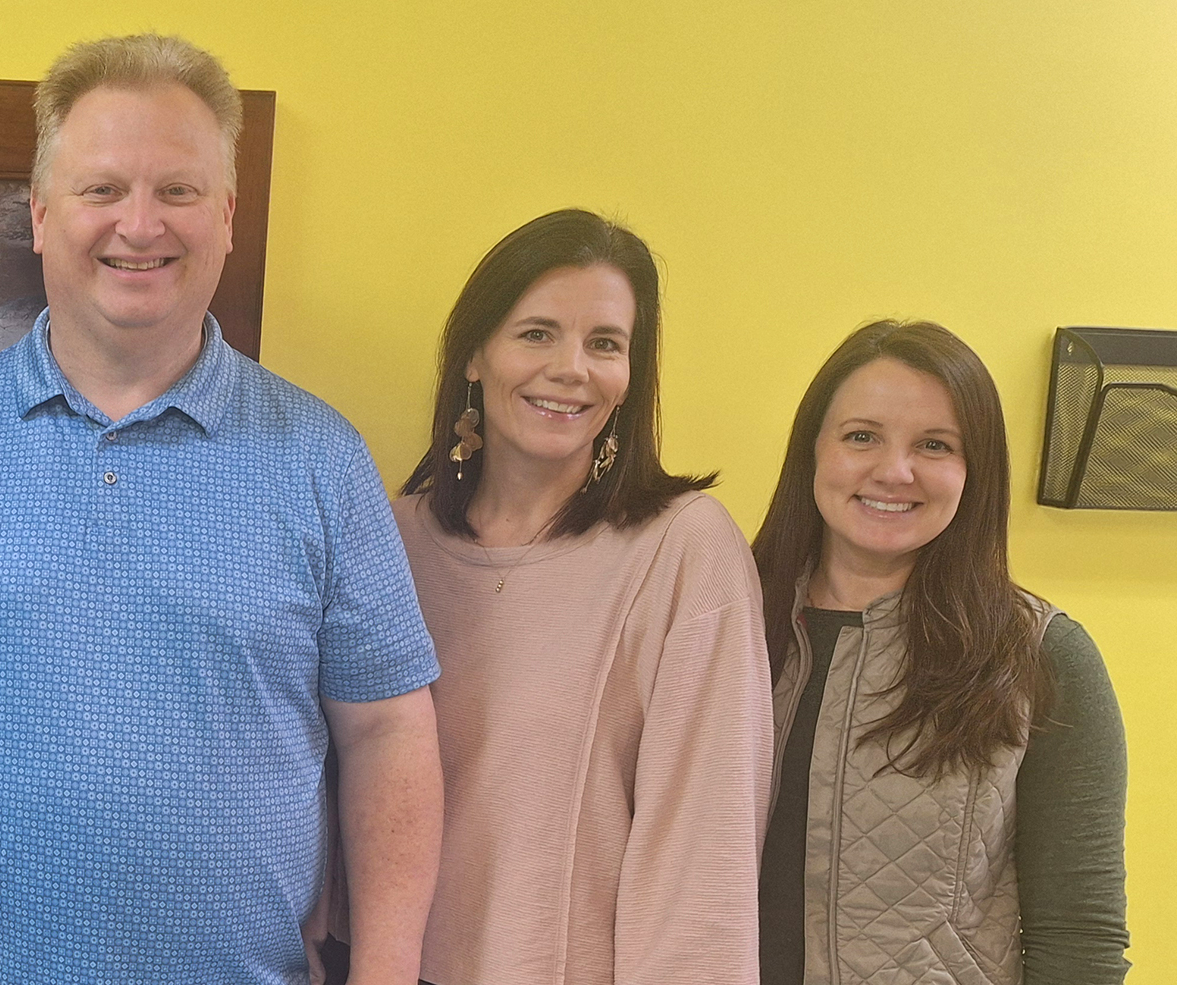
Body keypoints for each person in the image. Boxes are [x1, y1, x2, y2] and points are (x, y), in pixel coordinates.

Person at [0, 34, 443, 985]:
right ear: (40, 214)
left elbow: (388, 728)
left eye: (178, 190)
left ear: (226, 216)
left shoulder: (322, 459)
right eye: (102, 188)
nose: (139, 225)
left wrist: (387, 969)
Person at [390, 210, 770, 985]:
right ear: (474, 354)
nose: (572, 369)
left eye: (605, 343)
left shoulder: (683, 548)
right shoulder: (391, 539)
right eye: (537, 333)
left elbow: (704, 849)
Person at [753, 320, 1128, 984]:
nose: (894, 471)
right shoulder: (719, 626)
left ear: (974, 470)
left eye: (934, 444)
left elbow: (1080, 937)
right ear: (812, 449)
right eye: (861, 436)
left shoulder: (1042, 656)